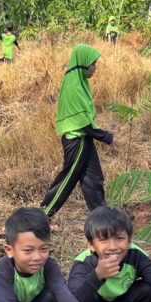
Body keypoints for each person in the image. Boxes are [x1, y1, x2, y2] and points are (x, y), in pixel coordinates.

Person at [40, 44, 115, 218]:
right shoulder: (74, 86)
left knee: (94, 178)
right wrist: (106, 137)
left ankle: (102, 216)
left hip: (83, 139)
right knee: (68, 179)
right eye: (93, 64)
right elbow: (83, 123)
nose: (95, 68)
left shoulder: (78, 81)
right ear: (83, 63)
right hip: (77, 140)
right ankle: (43, 215)